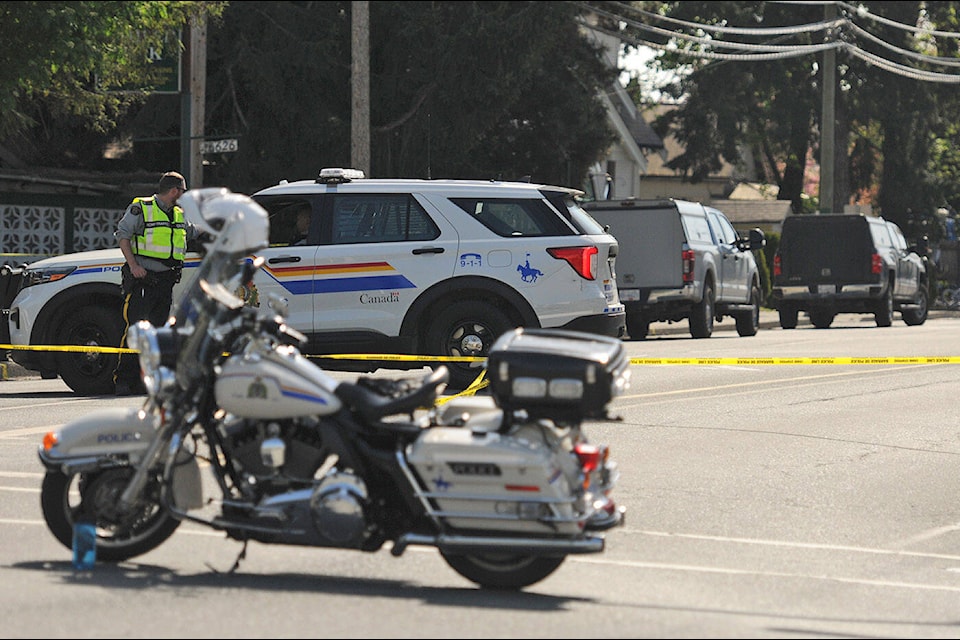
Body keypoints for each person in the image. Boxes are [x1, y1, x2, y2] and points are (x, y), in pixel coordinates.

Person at [112, 171, 198, 396]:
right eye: (182, 192)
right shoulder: (142, 208)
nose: (183, 196)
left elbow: (193, 233)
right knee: (136, 331)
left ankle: (145, 380)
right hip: (144, 279)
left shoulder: (178, 214)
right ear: (174, 191)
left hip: (166, 281)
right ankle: (123, 380)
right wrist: (133, 267)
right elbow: (123, 236)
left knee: (158, 332)